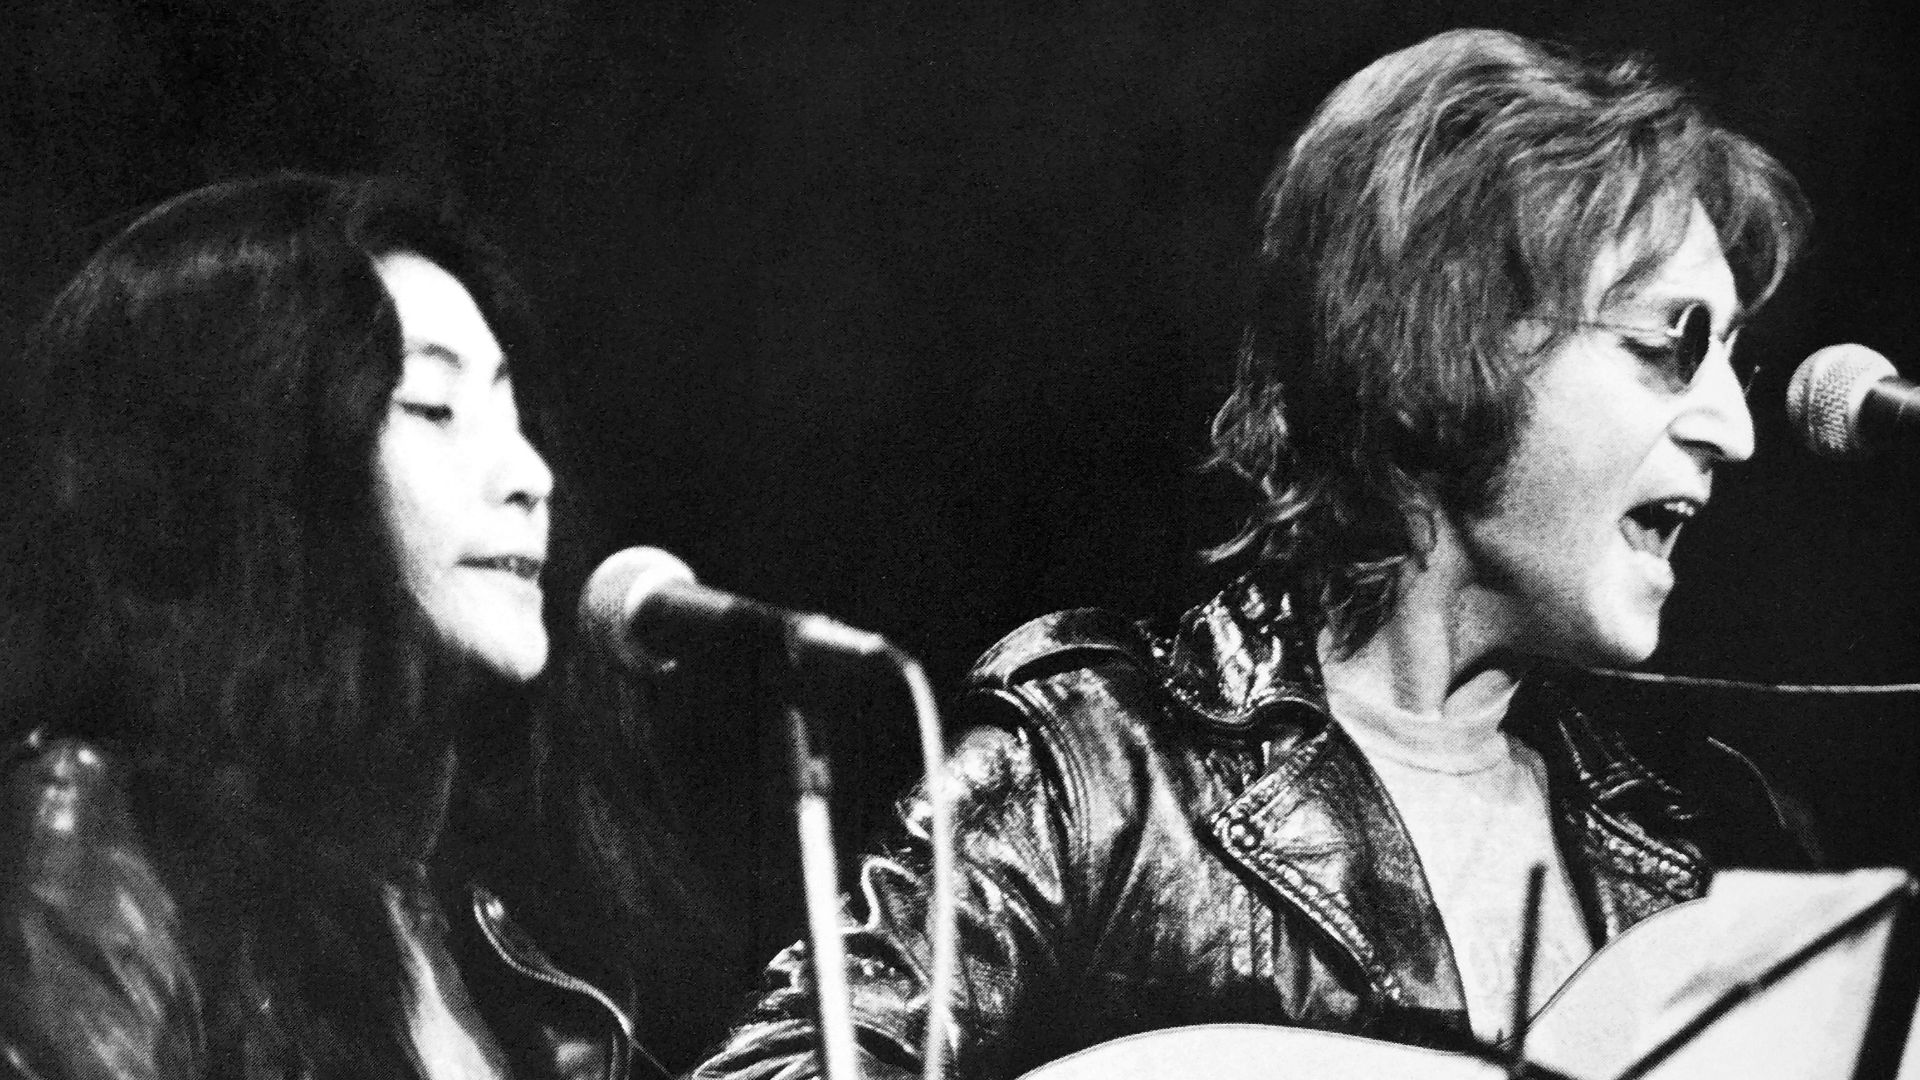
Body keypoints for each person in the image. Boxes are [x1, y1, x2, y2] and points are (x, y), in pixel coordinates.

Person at [691, 27, 1817, 1080]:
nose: (1736, 427)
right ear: (1451, 340)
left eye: (1737, 363)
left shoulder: (1714, 830)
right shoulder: (1102, 774)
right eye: (1672, 346)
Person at [0, 174, 736, 1079]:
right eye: (435, 409)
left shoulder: (466, 925)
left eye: (514, 415)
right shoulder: (97, 848)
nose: (529, 475)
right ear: (260, 462)